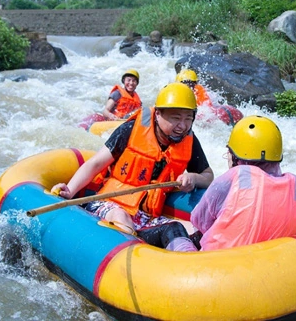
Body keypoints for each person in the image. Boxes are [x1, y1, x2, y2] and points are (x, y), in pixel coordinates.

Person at [53, 82, 214, 236]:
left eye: (188, 118)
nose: (182, 125)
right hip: (110, 204)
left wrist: (193, 177)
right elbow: (95, 164)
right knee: (122, 219)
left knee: (190, 229)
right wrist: (70, 191)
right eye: (176, 118)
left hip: (146, 215)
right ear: (158, 114)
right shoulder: (131, 130)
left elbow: (208, 176)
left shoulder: (189, 140)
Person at [162, 115, 296, 252]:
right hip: (272, 261)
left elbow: (199, 220)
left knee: (173, 229)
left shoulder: (235, 178)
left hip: (219, 265)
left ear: (235, 157)